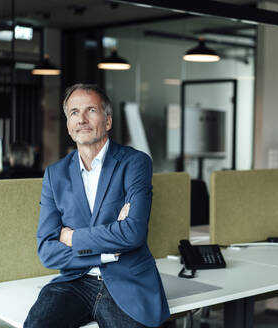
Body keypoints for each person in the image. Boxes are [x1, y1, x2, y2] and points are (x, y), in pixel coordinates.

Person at [24, 84, 169, 328]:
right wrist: (107, 252)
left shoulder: (134, 163)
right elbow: (47, 251)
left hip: (127, 281)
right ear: (69, 127)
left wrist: (72, 237)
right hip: (75, 281)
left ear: (108, 121)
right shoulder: (55, 175)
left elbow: (133, 233)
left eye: (91, 110)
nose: (81, 119)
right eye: (73, 113)